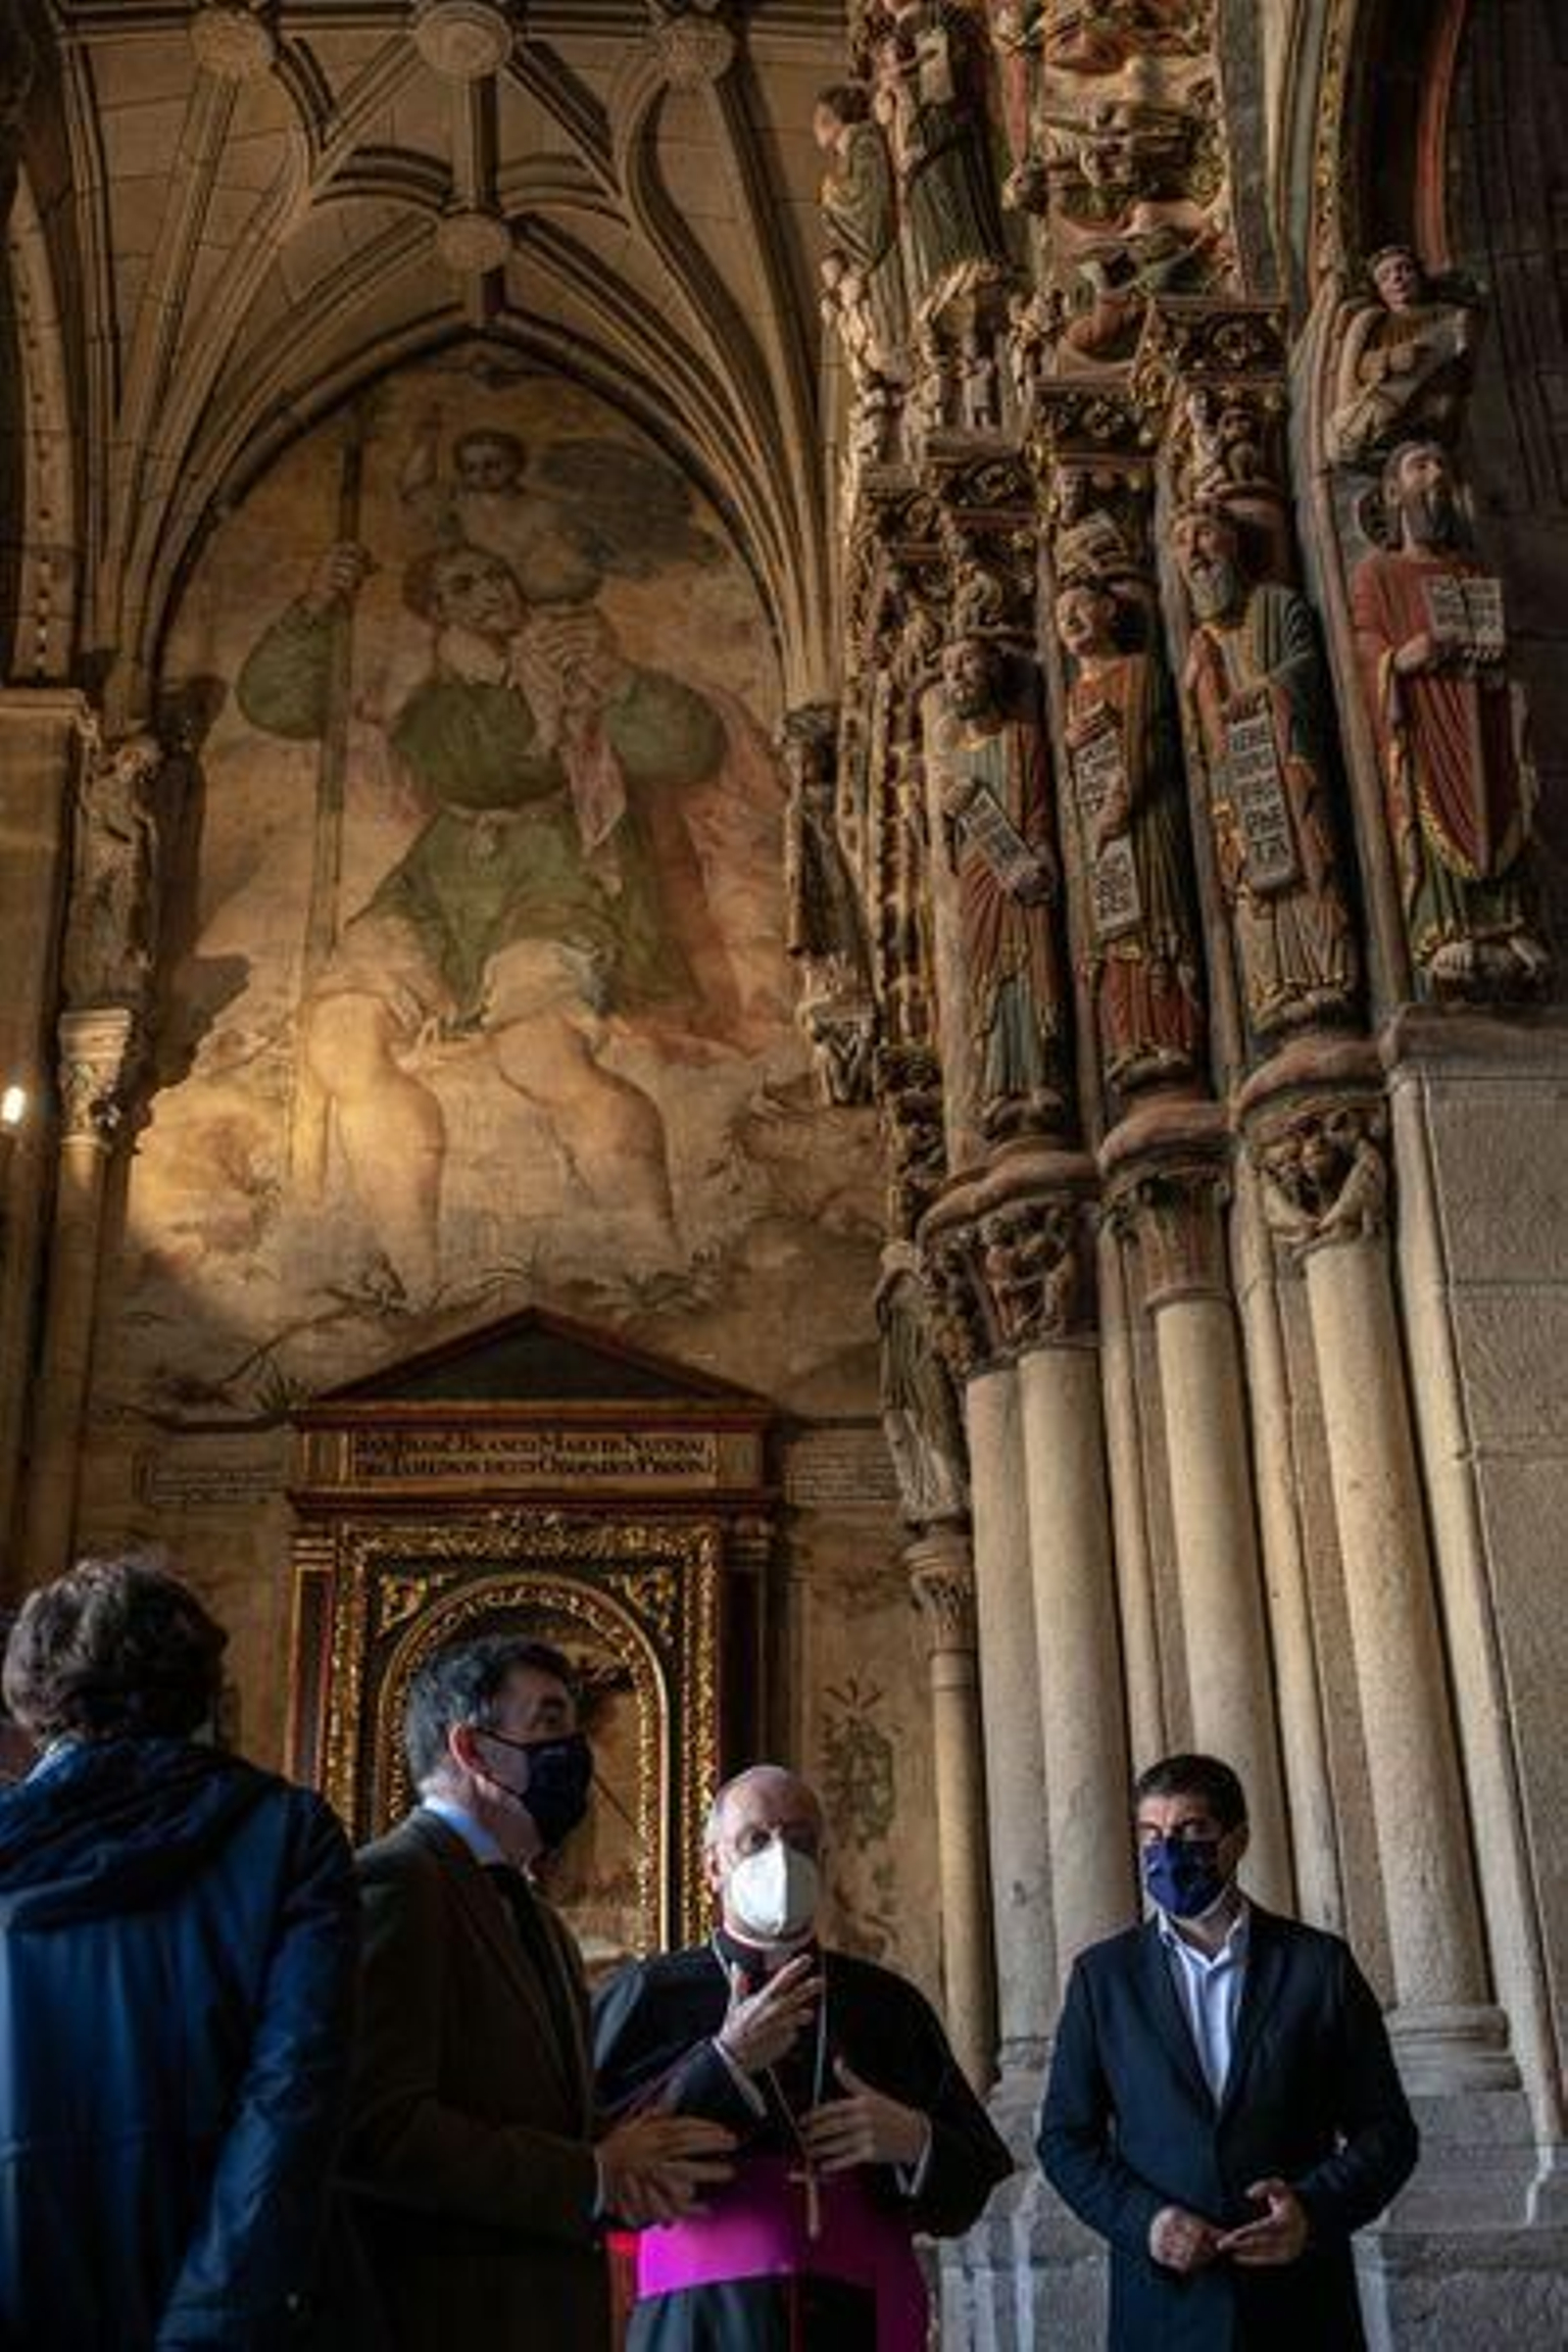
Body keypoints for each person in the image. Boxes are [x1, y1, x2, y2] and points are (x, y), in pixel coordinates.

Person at [0, 1553, 359, 2350]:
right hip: (224, 2282)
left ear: (31, 1691)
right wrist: (214, 2318)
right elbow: (293, 2090)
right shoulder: (286, 1833)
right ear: (201, 1684)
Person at [343, 1633, 733, 2351]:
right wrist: (591, 2176)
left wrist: (632, 2160)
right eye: (548, 1722)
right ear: (472, 1748)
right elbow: (376, 2129)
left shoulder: (541, 1923)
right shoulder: (394, 1883)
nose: (574, 1751)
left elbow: (544, 2118)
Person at [593, 1762, 1011, 2349]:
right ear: (713, 1867)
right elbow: (592, 2170)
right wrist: (725, 2062)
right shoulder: (646, 1996)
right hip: (701, 2322)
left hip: (861, 2317)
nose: (781, 1857)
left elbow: (972, 2182)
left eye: (800, 1841)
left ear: (825, 1860)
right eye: (755, 1840)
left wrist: (916, 2140)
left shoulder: (886, 2005)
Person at [1039, 1752, 1419, 2352]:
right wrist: (1147, 2223)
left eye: (1190, 1830)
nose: (1167, 1851)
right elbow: (1064, 2140)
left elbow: (1388, 2132)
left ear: (1237, 1840)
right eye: (1151, 1835)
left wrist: (1312, 2213)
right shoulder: (1103, 1979)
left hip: (1300, 2312)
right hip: (1164, 2315)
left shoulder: (1319, 1966)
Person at [1349, 437, 1548, 996]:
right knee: (1432, 800)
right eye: (1420, 467)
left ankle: (1510, 921)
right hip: (1424, 716)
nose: (1435, 474)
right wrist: (1399, 659)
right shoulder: (1378, 572)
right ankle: (1447, 927)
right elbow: (1364, 644)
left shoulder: (1470, 569)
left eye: (1441, 465)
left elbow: (1502, 640)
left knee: (1501, 793)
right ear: (1393, 493)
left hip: (1480, 705)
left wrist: (1499, 658)